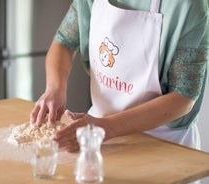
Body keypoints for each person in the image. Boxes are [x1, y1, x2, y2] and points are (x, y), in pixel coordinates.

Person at [30, 0, 209, 153]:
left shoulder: (188, 5)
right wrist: (55, 88)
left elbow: (183, 98)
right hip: (98, 135)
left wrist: (106, 127)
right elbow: (64, 43)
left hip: (164, 143)